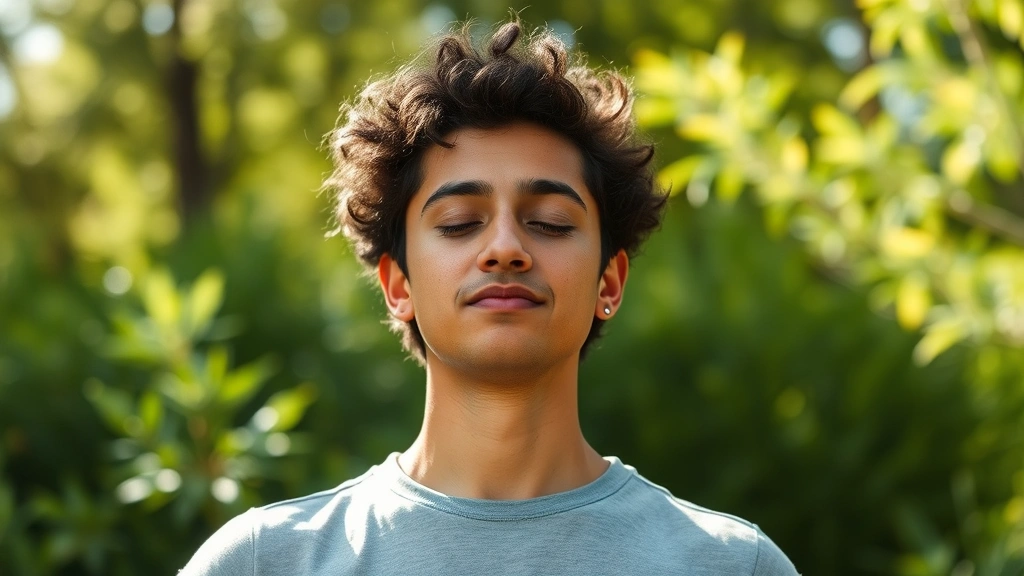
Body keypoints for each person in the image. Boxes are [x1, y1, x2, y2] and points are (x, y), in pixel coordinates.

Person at [180, 19, 799, 576]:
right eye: (458, 224)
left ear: (608, 283)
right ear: (399, 286)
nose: (505, 248)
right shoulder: (264, 562)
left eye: (552, 222)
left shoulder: (730, 565)